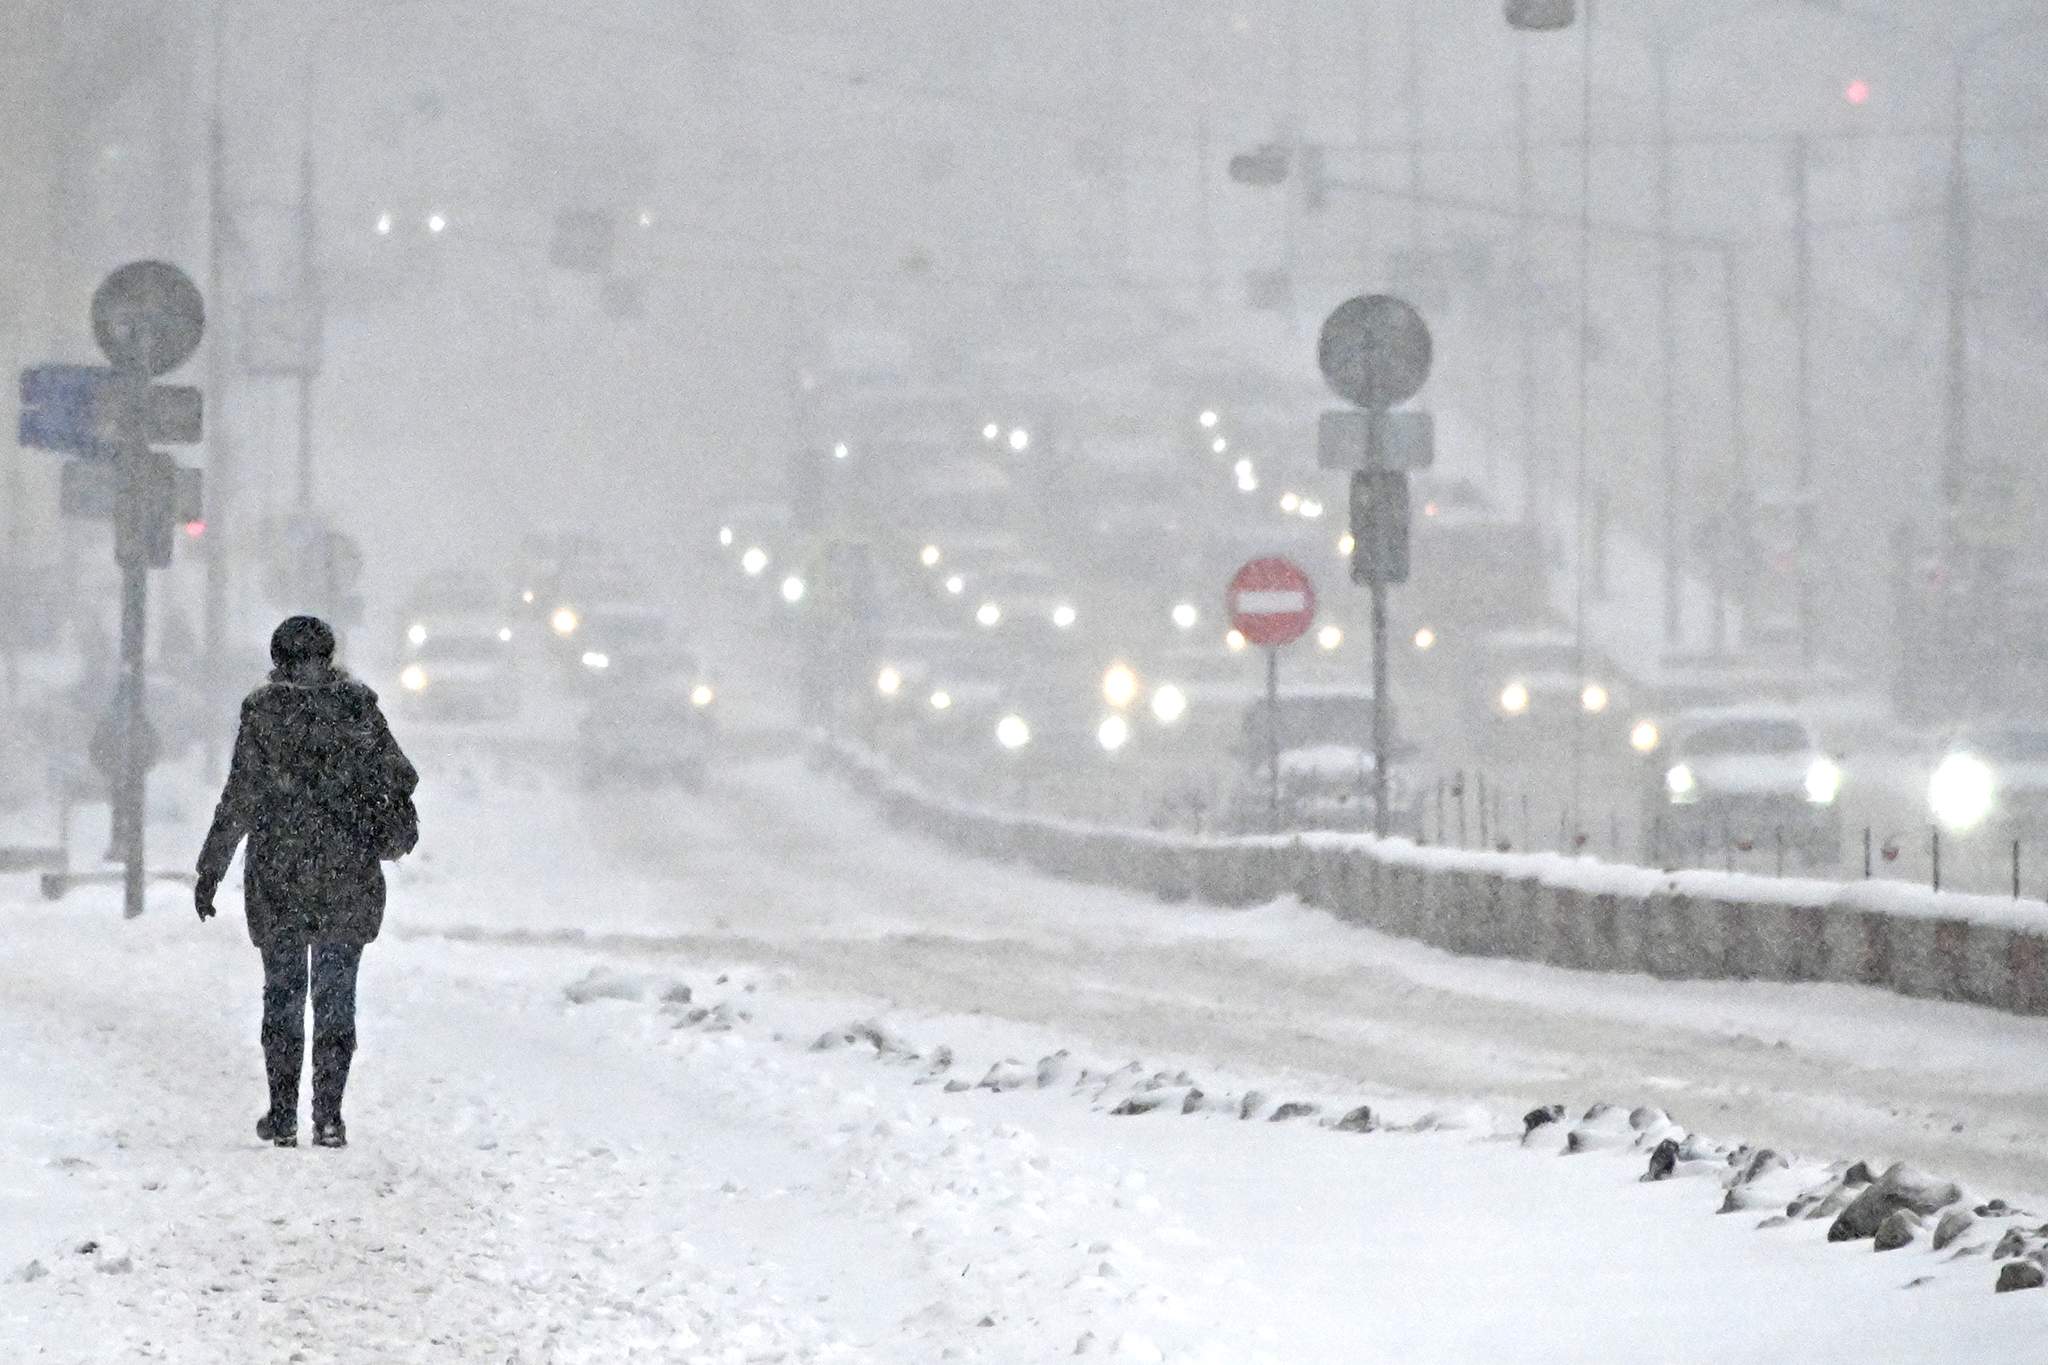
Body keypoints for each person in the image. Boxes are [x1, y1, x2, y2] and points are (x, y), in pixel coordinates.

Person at [195, 615, 417, 1149]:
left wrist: (211, 867)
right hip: (348, 875)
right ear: (330, 655)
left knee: (284, 998)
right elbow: (400, 776)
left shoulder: (265, 712)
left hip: (280, 876)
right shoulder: (358, 707)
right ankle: (329, 1115)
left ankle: (283, 1113)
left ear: (279, 660)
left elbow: (241, 794)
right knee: (337, 1001)